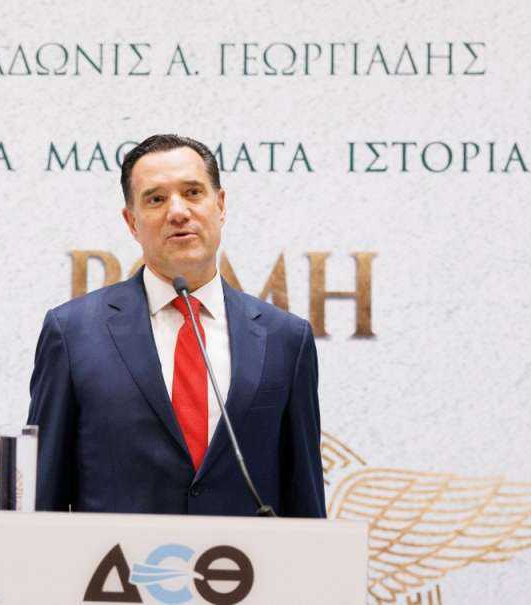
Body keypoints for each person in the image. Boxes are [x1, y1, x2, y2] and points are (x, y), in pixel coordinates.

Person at [26, 134, 326, 517]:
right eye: (156, 199)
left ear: (220, 205)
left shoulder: (285, 339)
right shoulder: (73, 333)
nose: (178, 212)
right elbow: (40, 499)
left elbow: (305, 504)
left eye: (193, 192)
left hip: (240, 557)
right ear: (131, 222)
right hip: (116, 557)